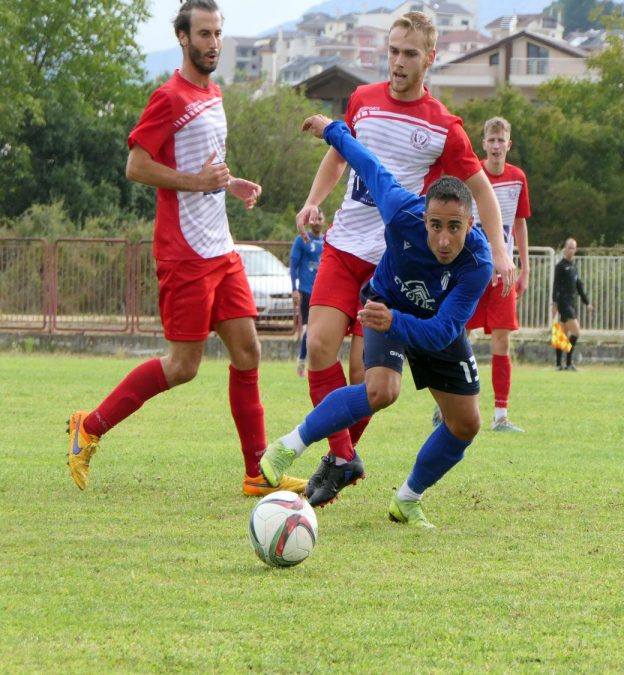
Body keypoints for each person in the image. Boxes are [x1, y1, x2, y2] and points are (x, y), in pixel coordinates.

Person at [66, 0, 305, 497]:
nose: (212, 42)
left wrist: (229, 183)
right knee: (182, 367)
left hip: (221, 249)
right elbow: (136, 165)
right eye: (203, 34)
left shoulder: (214, 93)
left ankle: (255, 473)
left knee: (248, 352)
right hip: (184, 255)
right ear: (182, 37)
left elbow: (205, 167)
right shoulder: (169, 97)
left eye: (217, 33)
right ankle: (89, 425)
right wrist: (195, 182)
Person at [292, 11, 514, 507]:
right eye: (392, 51)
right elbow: (341, 153)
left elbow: (481, 189)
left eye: (409, 54)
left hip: (394, 263)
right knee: (319, 346)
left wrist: (499, 251)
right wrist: (314, 201)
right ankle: (342, 456)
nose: (398, 61)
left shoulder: (444, 126)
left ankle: (341, 458)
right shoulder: (364, 101)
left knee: (367, 382)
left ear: (429, 59)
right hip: (345, 244)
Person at [259, 114, 493, 527]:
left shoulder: (478, 262)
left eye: (454, 228)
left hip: (428, 324)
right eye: (435, 225)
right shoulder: (401, 209)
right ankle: (287, 446)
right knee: (381, 390)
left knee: (466, 423)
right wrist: (331, 129)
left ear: (470, 225)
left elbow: (442, 332)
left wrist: (395, 323)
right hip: (384, 303)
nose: (442, 239)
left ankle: (406, 499)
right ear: (423, 218)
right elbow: (366, 163)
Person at [441, 116, 530, 432]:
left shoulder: (518, 178)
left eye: (500, 140)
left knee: (502, 340)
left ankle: (500, 415)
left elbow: (519, 223)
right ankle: (450, 403)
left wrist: (525, 267)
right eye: (490, 140)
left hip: (504, 273)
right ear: (483, 144)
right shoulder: (471, 177)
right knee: (459, 335)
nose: (495, 146)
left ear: (509, 144)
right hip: (473, 270)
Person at [290, 207, 326, 377]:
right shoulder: (302, 240)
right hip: (306, 291)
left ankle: (306, 361)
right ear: (310, 221)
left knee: (318, 330)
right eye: (314, 219)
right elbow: (293, 264)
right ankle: (302, 362)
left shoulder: (328, 242)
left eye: (320, 219)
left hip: (323, 292)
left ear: (323, 221)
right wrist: (294, 289)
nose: (317, 222)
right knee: (308, 329)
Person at [552, 238, 593, 371]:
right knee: (576, 331)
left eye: (573, 248)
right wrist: (555, 302)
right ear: (565, 248)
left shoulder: (574, 267)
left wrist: (587, 302)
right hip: (564, 303)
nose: (571, 250)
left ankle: (559, 364)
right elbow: (556, 286)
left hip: (571, 302)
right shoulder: (561, 266)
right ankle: (569, 363)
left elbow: (578, 286)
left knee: (562, 333)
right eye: (569, 247)